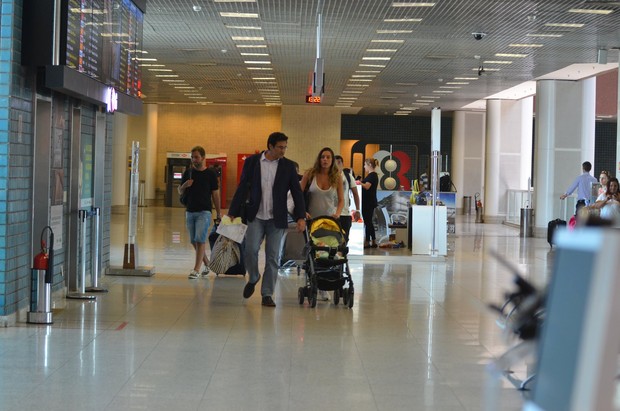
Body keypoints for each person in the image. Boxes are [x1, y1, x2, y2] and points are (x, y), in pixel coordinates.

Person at [228, 132, 306, 307]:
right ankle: (254, 276)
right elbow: (242, 187)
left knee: (272, 257)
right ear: (270, 146)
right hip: (255, 215)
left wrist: (301, 216)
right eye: (280, 147)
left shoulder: (288, 167)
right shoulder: (252, 162)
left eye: (285, 147)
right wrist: (232, 211)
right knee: (250, 250)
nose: (283, 150)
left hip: (277, 218)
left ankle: (267, 294)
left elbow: (297, 192)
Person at [300, 148, 344, 301]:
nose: (325, 160)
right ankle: (313, 281)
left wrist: (337, 213)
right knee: (313, 252)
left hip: (329, 221)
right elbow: (298, 194)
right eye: (322, 157)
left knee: (327, 252)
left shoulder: (336, 177)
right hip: (312, 221)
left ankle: (325, 284)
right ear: (319, 159)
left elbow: (341, 200)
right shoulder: (310, 174)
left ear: (332, 160)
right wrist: (302, 211)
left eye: (328, 157)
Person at [178, 146, 221, 279]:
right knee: (193, 241)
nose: (193, 159)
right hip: (190, 211)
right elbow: (180, 191)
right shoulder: (188, 172)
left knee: (200, 240)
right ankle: (207, 263)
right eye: (192, 157)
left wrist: (218, 213)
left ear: (203, 157)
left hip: (204, 212)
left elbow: (215, 194)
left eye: (196, 157)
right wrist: (185, 185)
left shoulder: (211, 174)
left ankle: (196, 269)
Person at [334, 155, 360, 242]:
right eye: (335, 163)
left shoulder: (348, 177)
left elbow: (355, 194)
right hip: (331, 213)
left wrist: (357, 210)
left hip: (345, 213)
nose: (337, 165)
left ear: (342, 164)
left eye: (339, 163)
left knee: (344, 239)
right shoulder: (328, 177)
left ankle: (343, 255)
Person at [361, 158, 379, 249]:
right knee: (369, 222)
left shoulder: (372, 175)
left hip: (368, 202)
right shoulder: (372, 175)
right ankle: (373, 240)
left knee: (367, 222)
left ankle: (367, 241)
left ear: (369, 165)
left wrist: (359, 183)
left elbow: (367, 186)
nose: (364, 167)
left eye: (365, 165)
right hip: (369, 201)